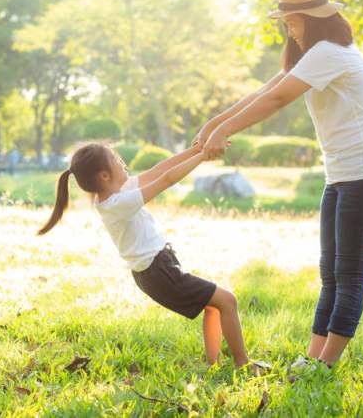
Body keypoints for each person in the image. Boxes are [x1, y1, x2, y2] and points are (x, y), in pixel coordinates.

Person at [194, 0, 363, 368]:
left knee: (348, 274)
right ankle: (312, 360)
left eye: (291, 22)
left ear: (310, 19)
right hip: (342, 175)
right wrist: (214, 124)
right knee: (330, 273)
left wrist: (223, 132)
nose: (288, 30)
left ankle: (324, 366)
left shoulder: (329, 53)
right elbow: (265, 89)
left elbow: (276, 99)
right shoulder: (315, 55)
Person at [38, 142, 267, 371]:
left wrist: (196, 150)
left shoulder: (117, 192)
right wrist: (202, 157)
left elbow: (158, 171)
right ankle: (242, 364)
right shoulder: (117, 203)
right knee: (228, 300)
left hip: (157, 268)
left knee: (214, 305)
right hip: (158, 272)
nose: (122, 162)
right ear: (105, 175)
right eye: (116, 159)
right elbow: (165, 180)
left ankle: (214, 364)